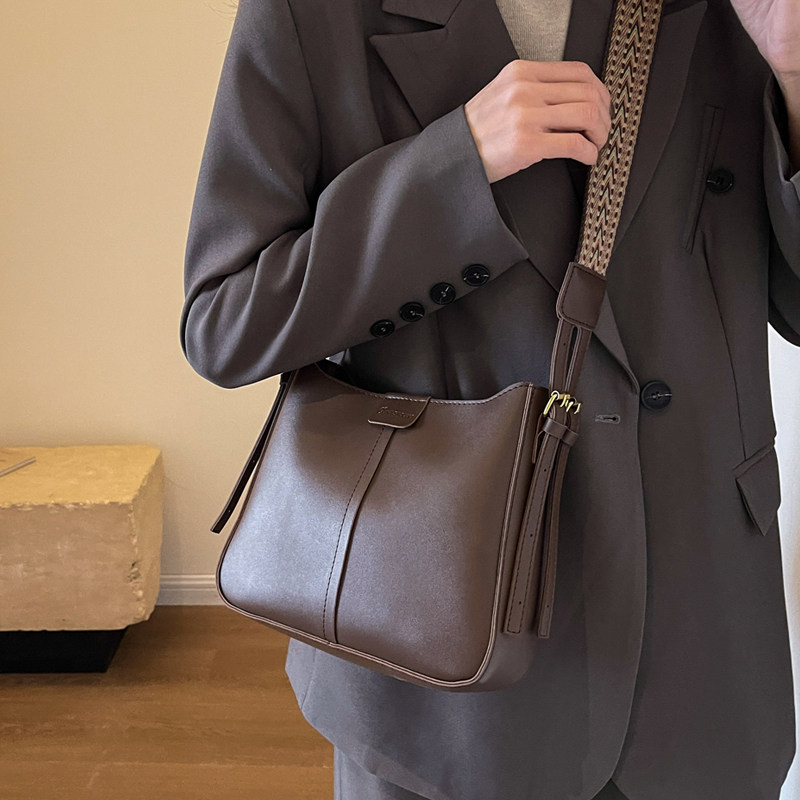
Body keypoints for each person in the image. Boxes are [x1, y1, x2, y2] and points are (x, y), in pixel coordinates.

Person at [180, 0, 800, 797]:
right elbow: (228, 322)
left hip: (700, 635)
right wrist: (454, 169)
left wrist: (793, 76)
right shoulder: (313, 13)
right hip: (436, 659)